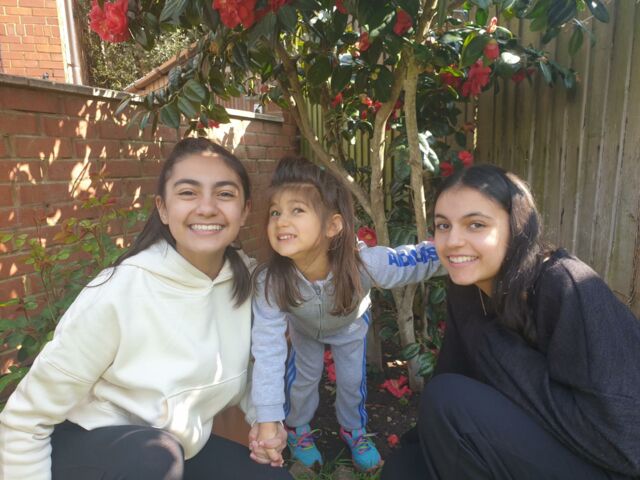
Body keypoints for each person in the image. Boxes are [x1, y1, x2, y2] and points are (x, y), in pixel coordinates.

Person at [0, 138, 291, 480]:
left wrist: (265, 420)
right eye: (188, 193)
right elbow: (24, 421)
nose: (207, 207)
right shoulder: (120, 291)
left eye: (224, 194)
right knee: (155, 457)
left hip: (173, 452)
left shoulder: (247, 282)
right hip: (90, 451)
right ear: (163, 209)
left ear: (244, 211)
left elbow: (250, 372)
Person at [381, 164, 640, 479]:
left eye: (476, 225)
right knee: (405, 468)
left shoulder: (566, 285)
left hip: (610, 462)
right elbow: (456, 367)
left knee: (448, 400)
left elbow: (624, 441)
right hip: (544, 439)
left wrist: (500, 356)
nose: (453, 241)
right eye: (443, 225)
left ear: (517, 229)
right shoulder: (468, 288)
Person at [250, 157, 441, 472]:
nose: (281, 221)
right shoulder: (270, 281)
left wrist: (456, 250)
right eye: (275, 212)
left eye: (297, 210)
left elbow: (411, 261)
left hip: (350, 327)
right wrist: (269, 420)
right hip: (304, 330)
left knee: (352, 382)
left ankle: (354, 431)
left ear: (332, 226)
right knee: (303, 379)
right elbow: (268, 351)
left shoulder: (364, 264)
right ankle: (297, 428)